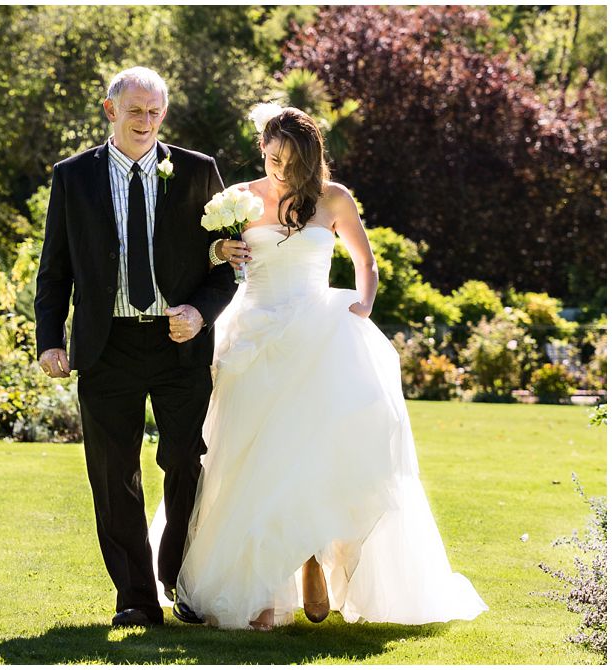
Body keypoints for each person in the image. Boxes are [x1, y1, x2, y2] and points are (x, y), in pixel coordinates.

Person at [168, 104, 488, 630]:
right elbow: (204, 258)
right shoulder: (241, 198)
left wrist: (362, 304)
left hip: (318, 331)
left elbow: (366, 262)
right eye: (269, 157)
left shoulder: (333, 198)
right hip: (254, 334)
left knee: (314, 450)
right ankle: (261, 587)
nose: (276, 169)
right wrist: (221, 250)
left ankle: (314, 560)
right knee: (250, 457)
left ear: (309, 157)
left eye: (287, 160)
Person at [34, 67, 236, 628]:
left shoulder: (197, 173)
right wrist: (51, 339)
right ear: (110, 111)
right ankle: (136, 598)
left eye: (154, 112)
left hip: (180, 344)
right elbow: (54, 271)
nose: (145, 122)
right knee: (113, 472)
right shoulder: (73, 177)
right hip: (106, 346)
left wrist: (199, 313)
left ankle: (180, 577)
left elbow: (224, 263)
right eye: (134, 111)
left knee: (184, 462)